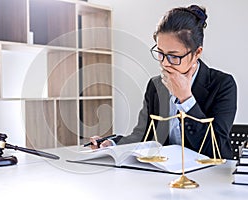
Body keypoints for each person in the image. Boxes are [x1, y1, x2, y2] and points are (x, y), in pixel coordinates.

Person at [89, 5, 237, 159]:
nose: (165, 63)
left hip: (211, 174)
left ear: (197, 53)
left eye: (174, 56)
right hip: (165, 174)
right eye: (160, 53)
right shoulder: (156, 86)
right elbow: (144, 135)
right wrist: (112, 144)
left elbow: (216, 149)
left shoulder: (222, 84)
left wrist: (186, 99)